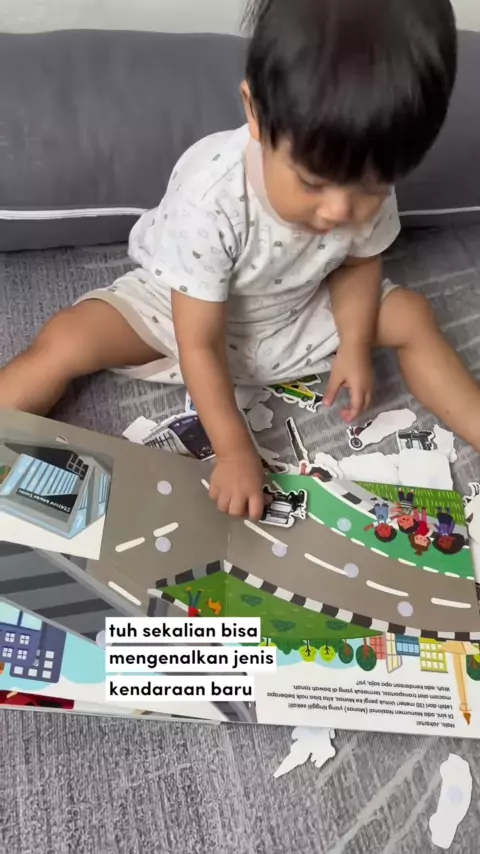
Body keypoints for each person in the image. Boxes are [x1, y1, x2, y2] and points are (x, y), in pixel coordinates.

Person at [1, 0, 476, 523]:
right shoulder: (211, 196)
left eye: (369, 189)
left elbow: (359, 265)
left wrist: (355, 345)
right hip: (182, 316)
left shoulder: (364, 172)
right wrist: (233, 452)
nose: (340, 212)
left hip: (298, 310)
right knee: (70, 338)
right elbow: (198, 342)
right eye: (312, 182)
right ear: (255, 112)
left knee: (412, 315)